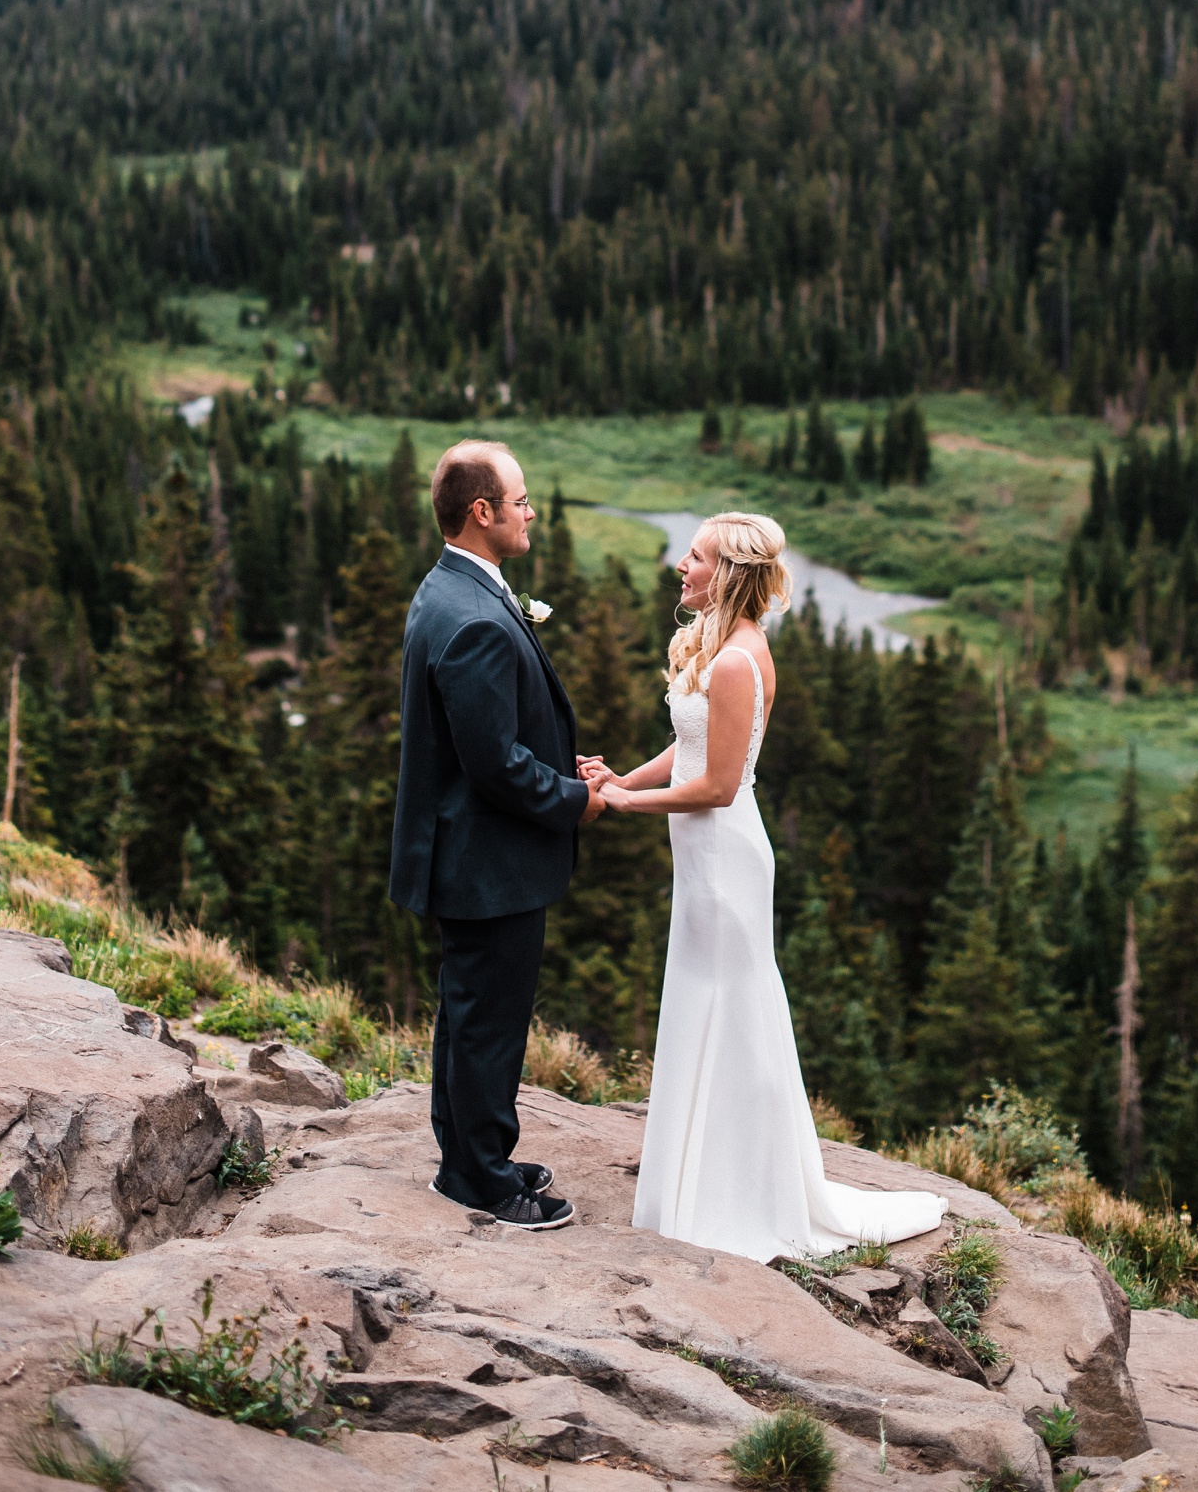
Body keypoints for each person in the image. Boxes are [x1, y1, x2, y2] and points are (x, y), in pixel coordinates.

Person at [585, 511, 947, 1262]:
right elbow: (687, 746)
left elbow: (717, 785)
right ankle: (700, 1177)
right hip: (704, 858)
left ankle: (741, 1192)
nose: (679, 566)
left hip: (724, 858)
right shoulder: (721, 648)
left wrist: (623, 804)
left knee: (733, 1007)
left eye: (693, 557)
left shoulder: (737, 661)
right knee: (701, 998)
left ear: (725, 573)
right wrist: (626, 776)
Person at [390, 439, 604, 1229]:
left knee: (469, 1009)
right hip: (489, 858)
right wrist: (576, 797)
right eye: (520, 500)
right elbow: (496, 765)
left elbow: (487, 735)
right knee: (489, 1020)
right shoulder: (474, 614)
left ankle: (469, 1154)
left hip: (465, 849)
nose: (530, 511)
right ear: (482, 511)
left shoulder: (449, 588)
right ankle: (480, 1177)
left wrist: (559, 760)